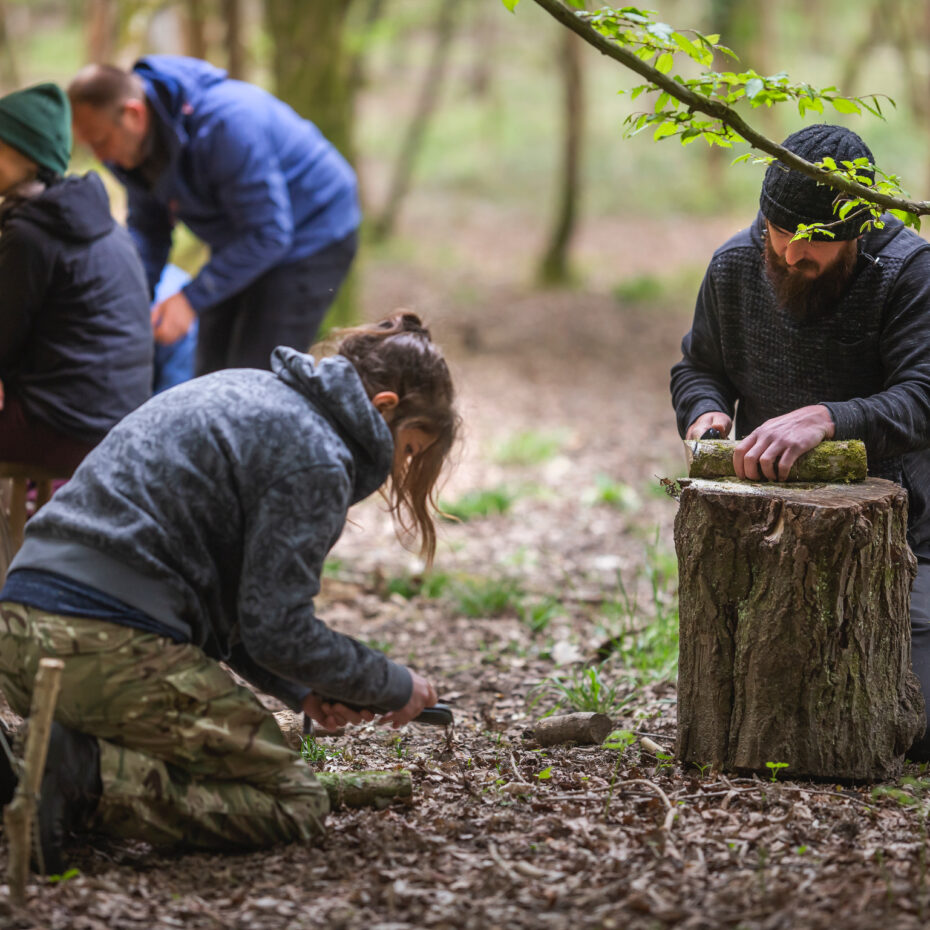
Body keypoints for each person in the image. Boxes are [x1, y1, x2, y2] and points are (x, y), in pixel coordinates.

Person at [0, 312, 458, 871]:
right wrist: (392, 683)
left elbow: (238, 610)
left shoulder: (241, 389)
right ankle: (78, 776)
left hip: (21, 631)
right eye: (409, 451)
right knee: (293, 802)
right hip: (102, 646)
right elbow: (278, 628)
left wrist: (300, 688)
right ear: (384, 407)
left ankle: (24, 762)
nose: (399, 472)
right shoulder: (317, 454)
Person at [670, 123, 930, 761]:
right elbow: (698, 367)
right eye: (780, 233)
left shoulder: (909, 273)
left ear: (860, 228)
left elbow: (924, 397)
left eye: (816, 243)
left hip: (908, 539)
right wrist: (704, 413)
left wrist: (828, 417)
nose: (790, 255)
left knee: (913, 726)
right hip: (766, 537)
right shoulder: (736, 263)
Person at [67, 57, 360, 376]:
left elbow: (268, 234)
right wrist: (133, 303)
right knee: (210, 370)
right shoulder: (129, 151)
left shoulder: (225, 124)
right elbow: (149, 232)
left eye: (100, 141)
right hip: (244, 233)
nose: (99, 157)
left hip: (314, 230)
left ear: (134, 114)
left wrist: (190, 299)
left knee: (256, 374)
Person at [0, 82, 152, 473]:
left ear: (28, 156)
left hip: (67, 429)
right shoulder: (83, 214)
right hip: (113, 422)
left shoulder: (32, 233)